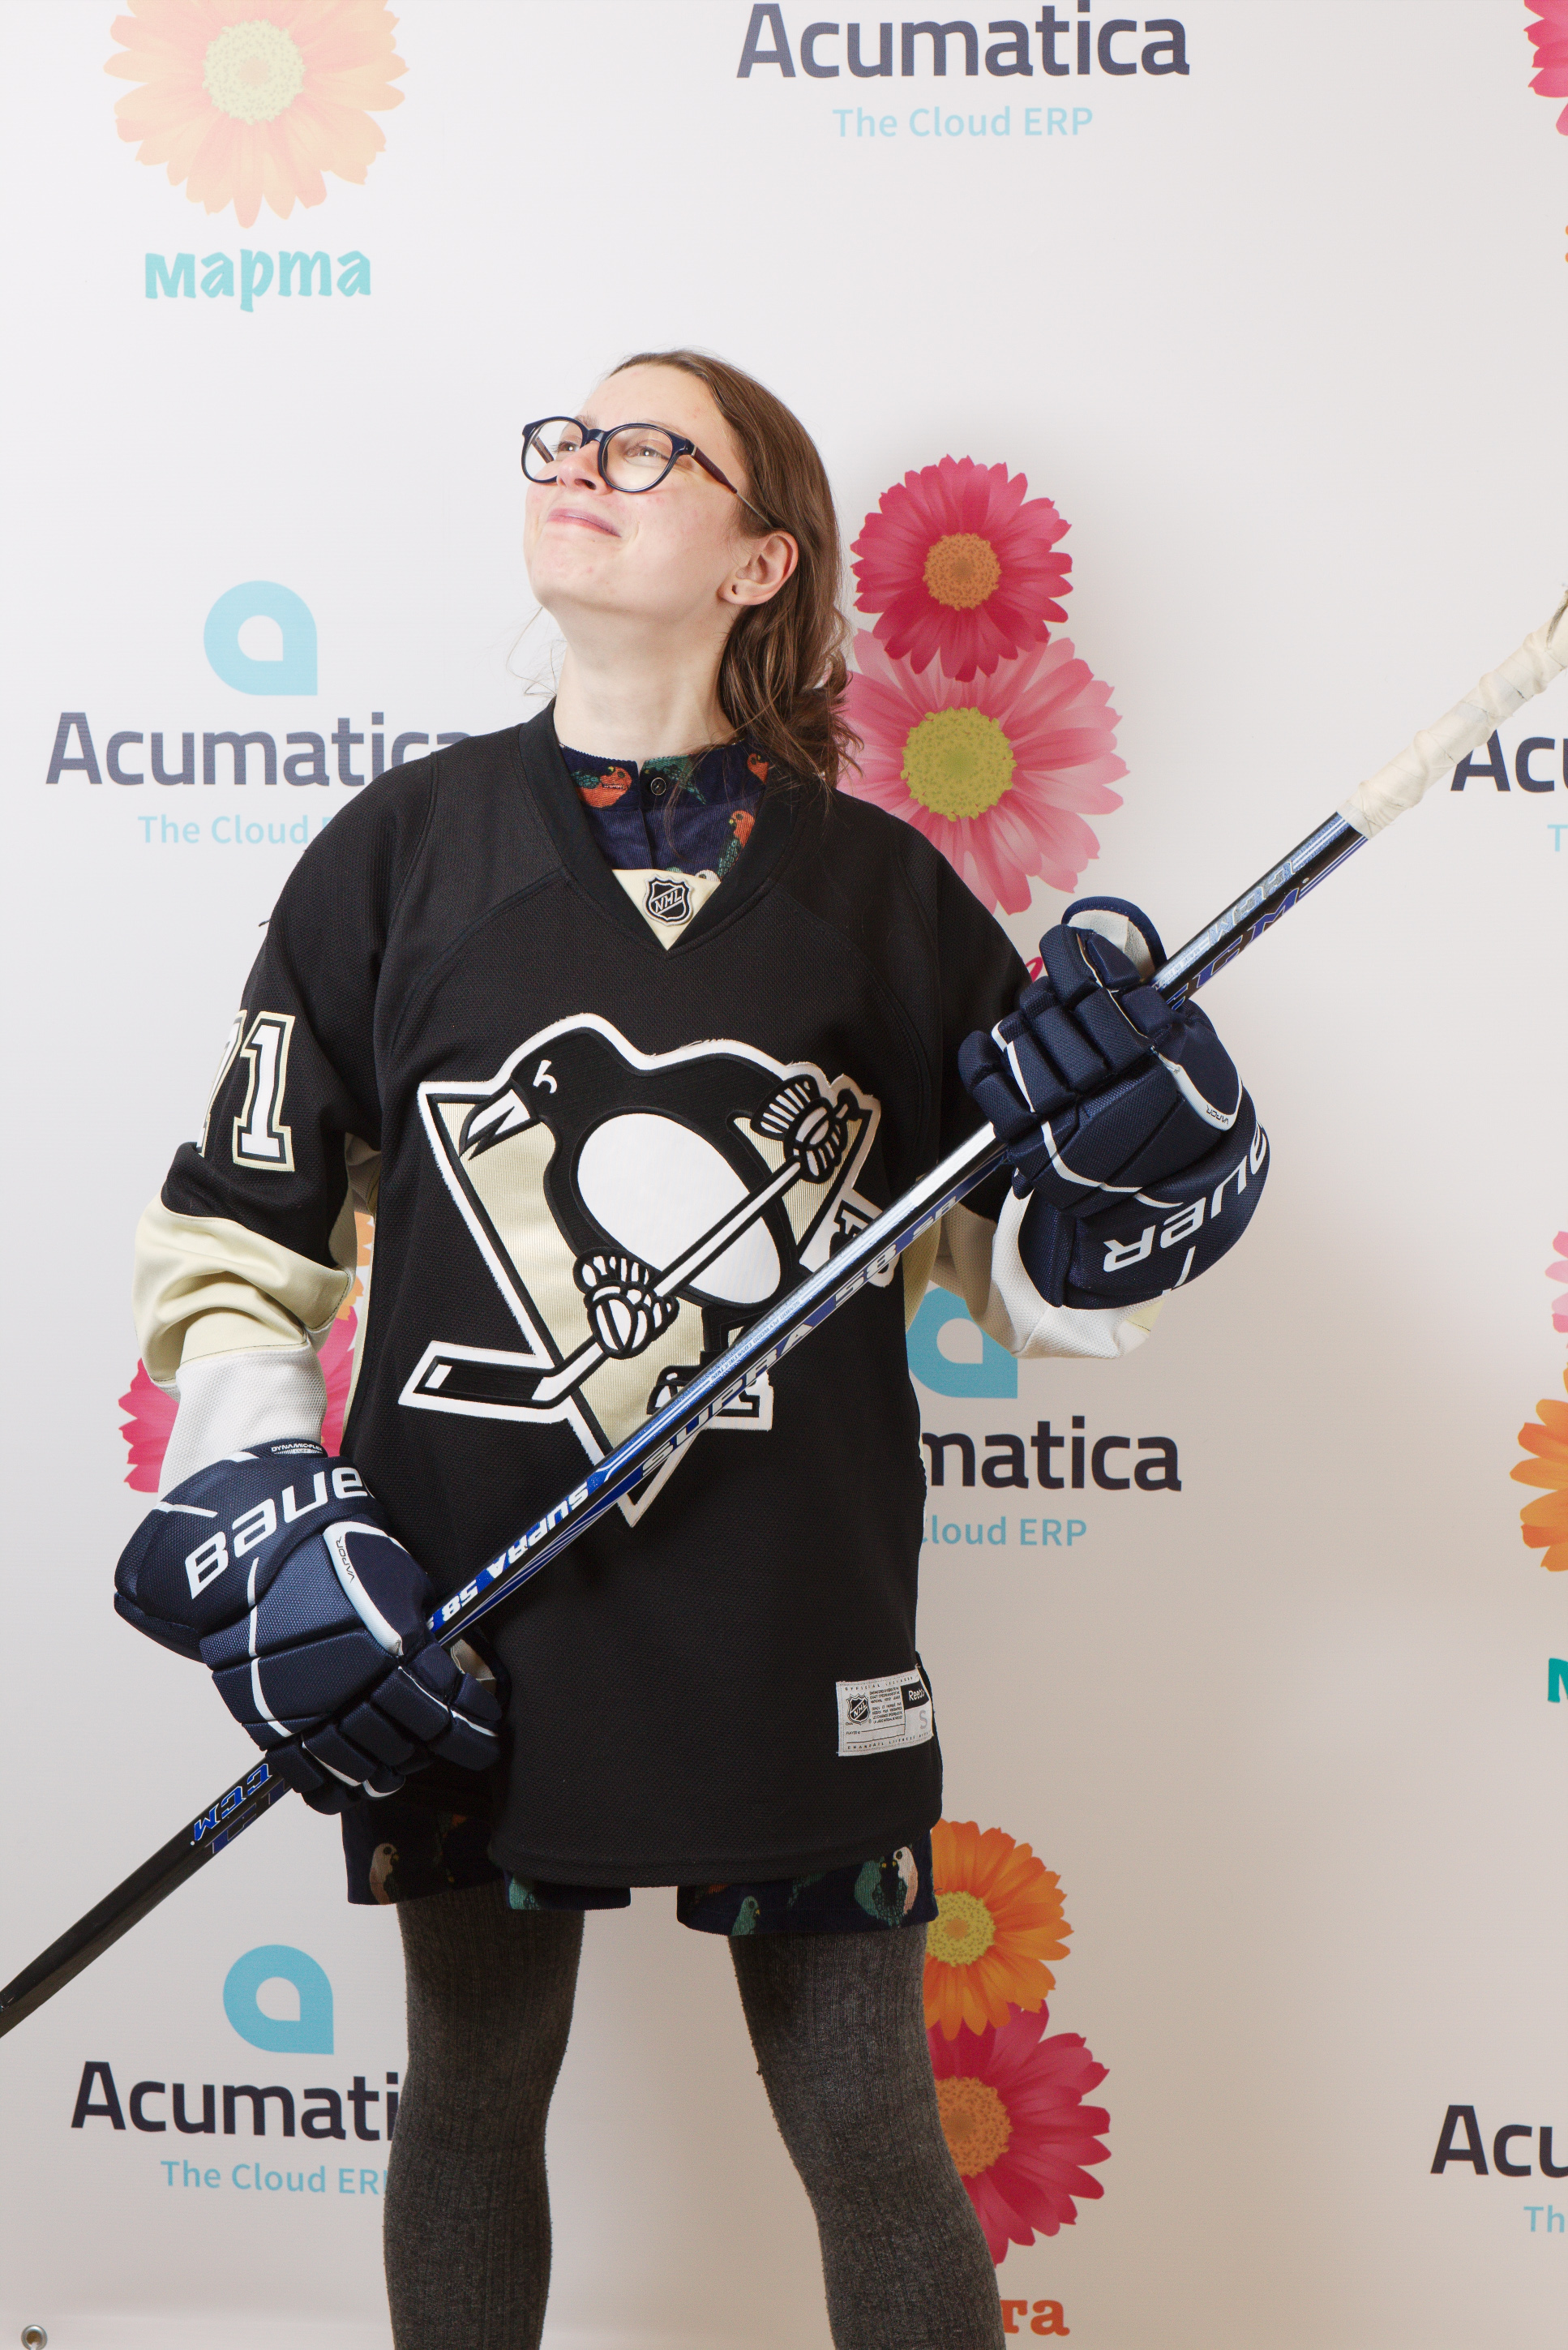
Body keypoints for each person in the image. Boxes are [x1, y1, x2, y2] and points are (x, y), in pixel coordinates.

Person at [114, 350, 1267, 2350]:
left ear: (759, 561)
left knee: (868, 2126)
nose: (583, 462)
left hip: (792, 1625)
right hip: (458, 1623)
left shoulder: (889, 900)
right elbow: (244, 1230)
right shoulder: (395, 856)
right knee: (472, 2096)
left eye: (646, 449)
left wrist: (1133, 1189)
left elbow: (1031, 1277)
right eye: (565, 437)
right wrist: (267, 1504)